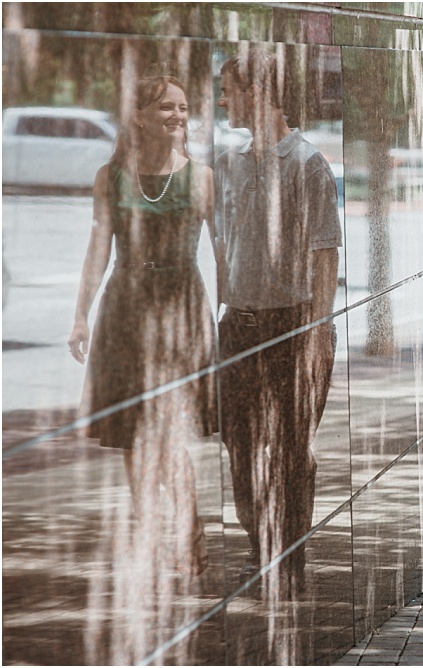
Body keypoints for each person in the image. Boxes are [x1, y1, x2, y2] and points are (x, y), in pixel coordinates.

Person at [68, 72, 217, 577]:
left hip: (181, 311)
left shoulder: (201, 176)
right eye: (165, 108)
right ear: (138, 117)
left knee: (169, 434)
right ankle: (151, 539)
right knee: (134, 435)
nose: (177, 116)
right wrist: (80, 316)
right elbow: (97, 249)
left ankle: (190, 536)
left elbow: (222, 249)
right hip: (126, 309)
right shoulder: (110, 176)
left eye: (181, 108)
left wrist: (230, 309)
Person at [215, 48, 341, 599]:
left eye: (229, 89)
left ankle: (286, 560)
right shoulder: (232, 163)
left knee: (291, 451)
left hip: (293, 328)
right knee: (240, 446)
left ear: (258, 93)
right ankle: (257, 547)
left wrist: (315, 334)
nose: (223, 100)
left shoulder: (307, 164)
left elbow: (325, 256)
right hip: (239, 327)